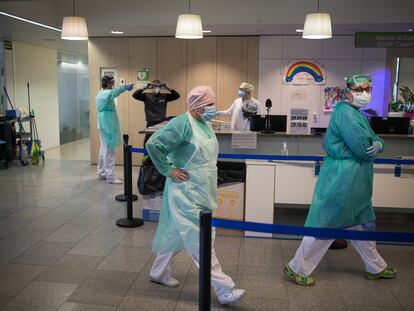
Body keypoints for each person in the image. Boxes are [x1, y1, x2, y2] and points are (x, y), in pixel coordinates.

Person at [284, 74, 397, 286]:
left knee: (362, 224)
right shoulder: (346, 114)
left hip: (356, 181)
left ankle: (375, 267)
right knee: (325, 225)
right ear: (348, 91)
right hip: (341, 179)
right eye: (359, 89)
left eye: (367, 89)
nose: (364, 94)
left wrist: (379, 144)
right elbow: (363, 148)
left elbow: (373, 138)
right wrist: (375, 146)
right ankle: (295, 267)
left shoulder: (357, 114)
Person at [145, 86, 245, 305]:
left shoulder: (204, 123)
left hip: (203, 189)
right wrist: (167, 169)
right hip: (185, 192)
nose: (213, 108)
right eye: (209, 104)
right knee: (201, 241)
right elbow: (153, 144)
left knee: (176, 233)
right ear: (198, 106)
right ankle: (224, 289)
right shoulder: (181, 123)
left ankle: (158, 272)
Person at [96, 76, 134, 184]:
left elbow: (113, 92)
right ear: (108, 84)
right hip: (107, 124)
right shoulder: (106, 93)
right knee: (109, 150)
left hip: (103, 124)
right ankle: (110, 176)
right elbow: (115, 92)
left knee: (103, 149)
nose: (113, 85)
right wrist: (124, 88)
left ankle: (101, 173)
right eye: (111, 83)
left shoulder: (100, 93)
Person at [132, 79, 180, 145]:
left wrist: (168, 88)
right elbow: (135, 95)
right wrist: (144, 88)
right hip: (150, 123)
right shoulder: (147, 96)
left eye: (158, 86)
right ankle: (146, 155)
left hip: (161, 123)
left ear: (160, 87)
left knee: (161, 141)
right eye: (154, 86)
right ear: (152, 87)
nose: (156, 88)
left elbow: (177, 95)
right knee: (147, 142)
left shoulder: (164, 96)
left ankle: (160, 155)